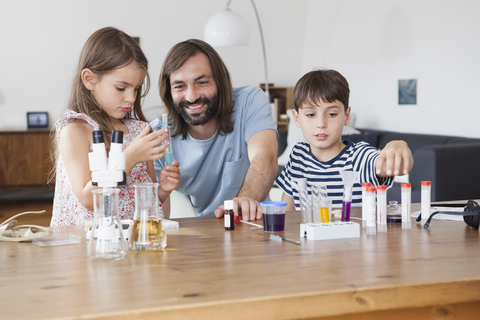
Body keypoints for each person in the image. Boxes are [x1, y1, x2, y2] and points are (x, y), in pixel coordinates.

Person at [50, 27, 180, 227]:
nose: (131, 98)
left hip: (135, 242)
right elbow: (89, 199)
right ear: (89, 79)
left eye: (136, 89)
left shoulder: (139, 130)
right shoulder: (75, 131)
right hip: (90, 245)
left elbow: (146, 204)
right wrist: (128, 158)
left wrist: (162, 189)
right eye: (121, 88)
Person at [151, 39, 278, 221]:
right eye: (179, 86)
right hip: (203, 232)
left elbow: (266, 158)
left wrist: (244, 200)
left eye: (202, 82)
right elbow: (157, 211)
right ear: (168, 92)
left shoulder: (250, 101)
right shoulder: (158, 135)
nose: (192, 97)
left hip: (254, 223)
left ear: (220, 81)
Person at [276, 69, 413, 211]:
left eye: (332, 114)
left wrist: (397, 145)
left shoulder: (359, 157)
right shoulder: (298, 156)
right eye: (311, 114)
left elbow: (396, 166)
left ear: (346, 116)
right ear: (297, 118)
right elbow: (287, 212)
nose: (321, 124)